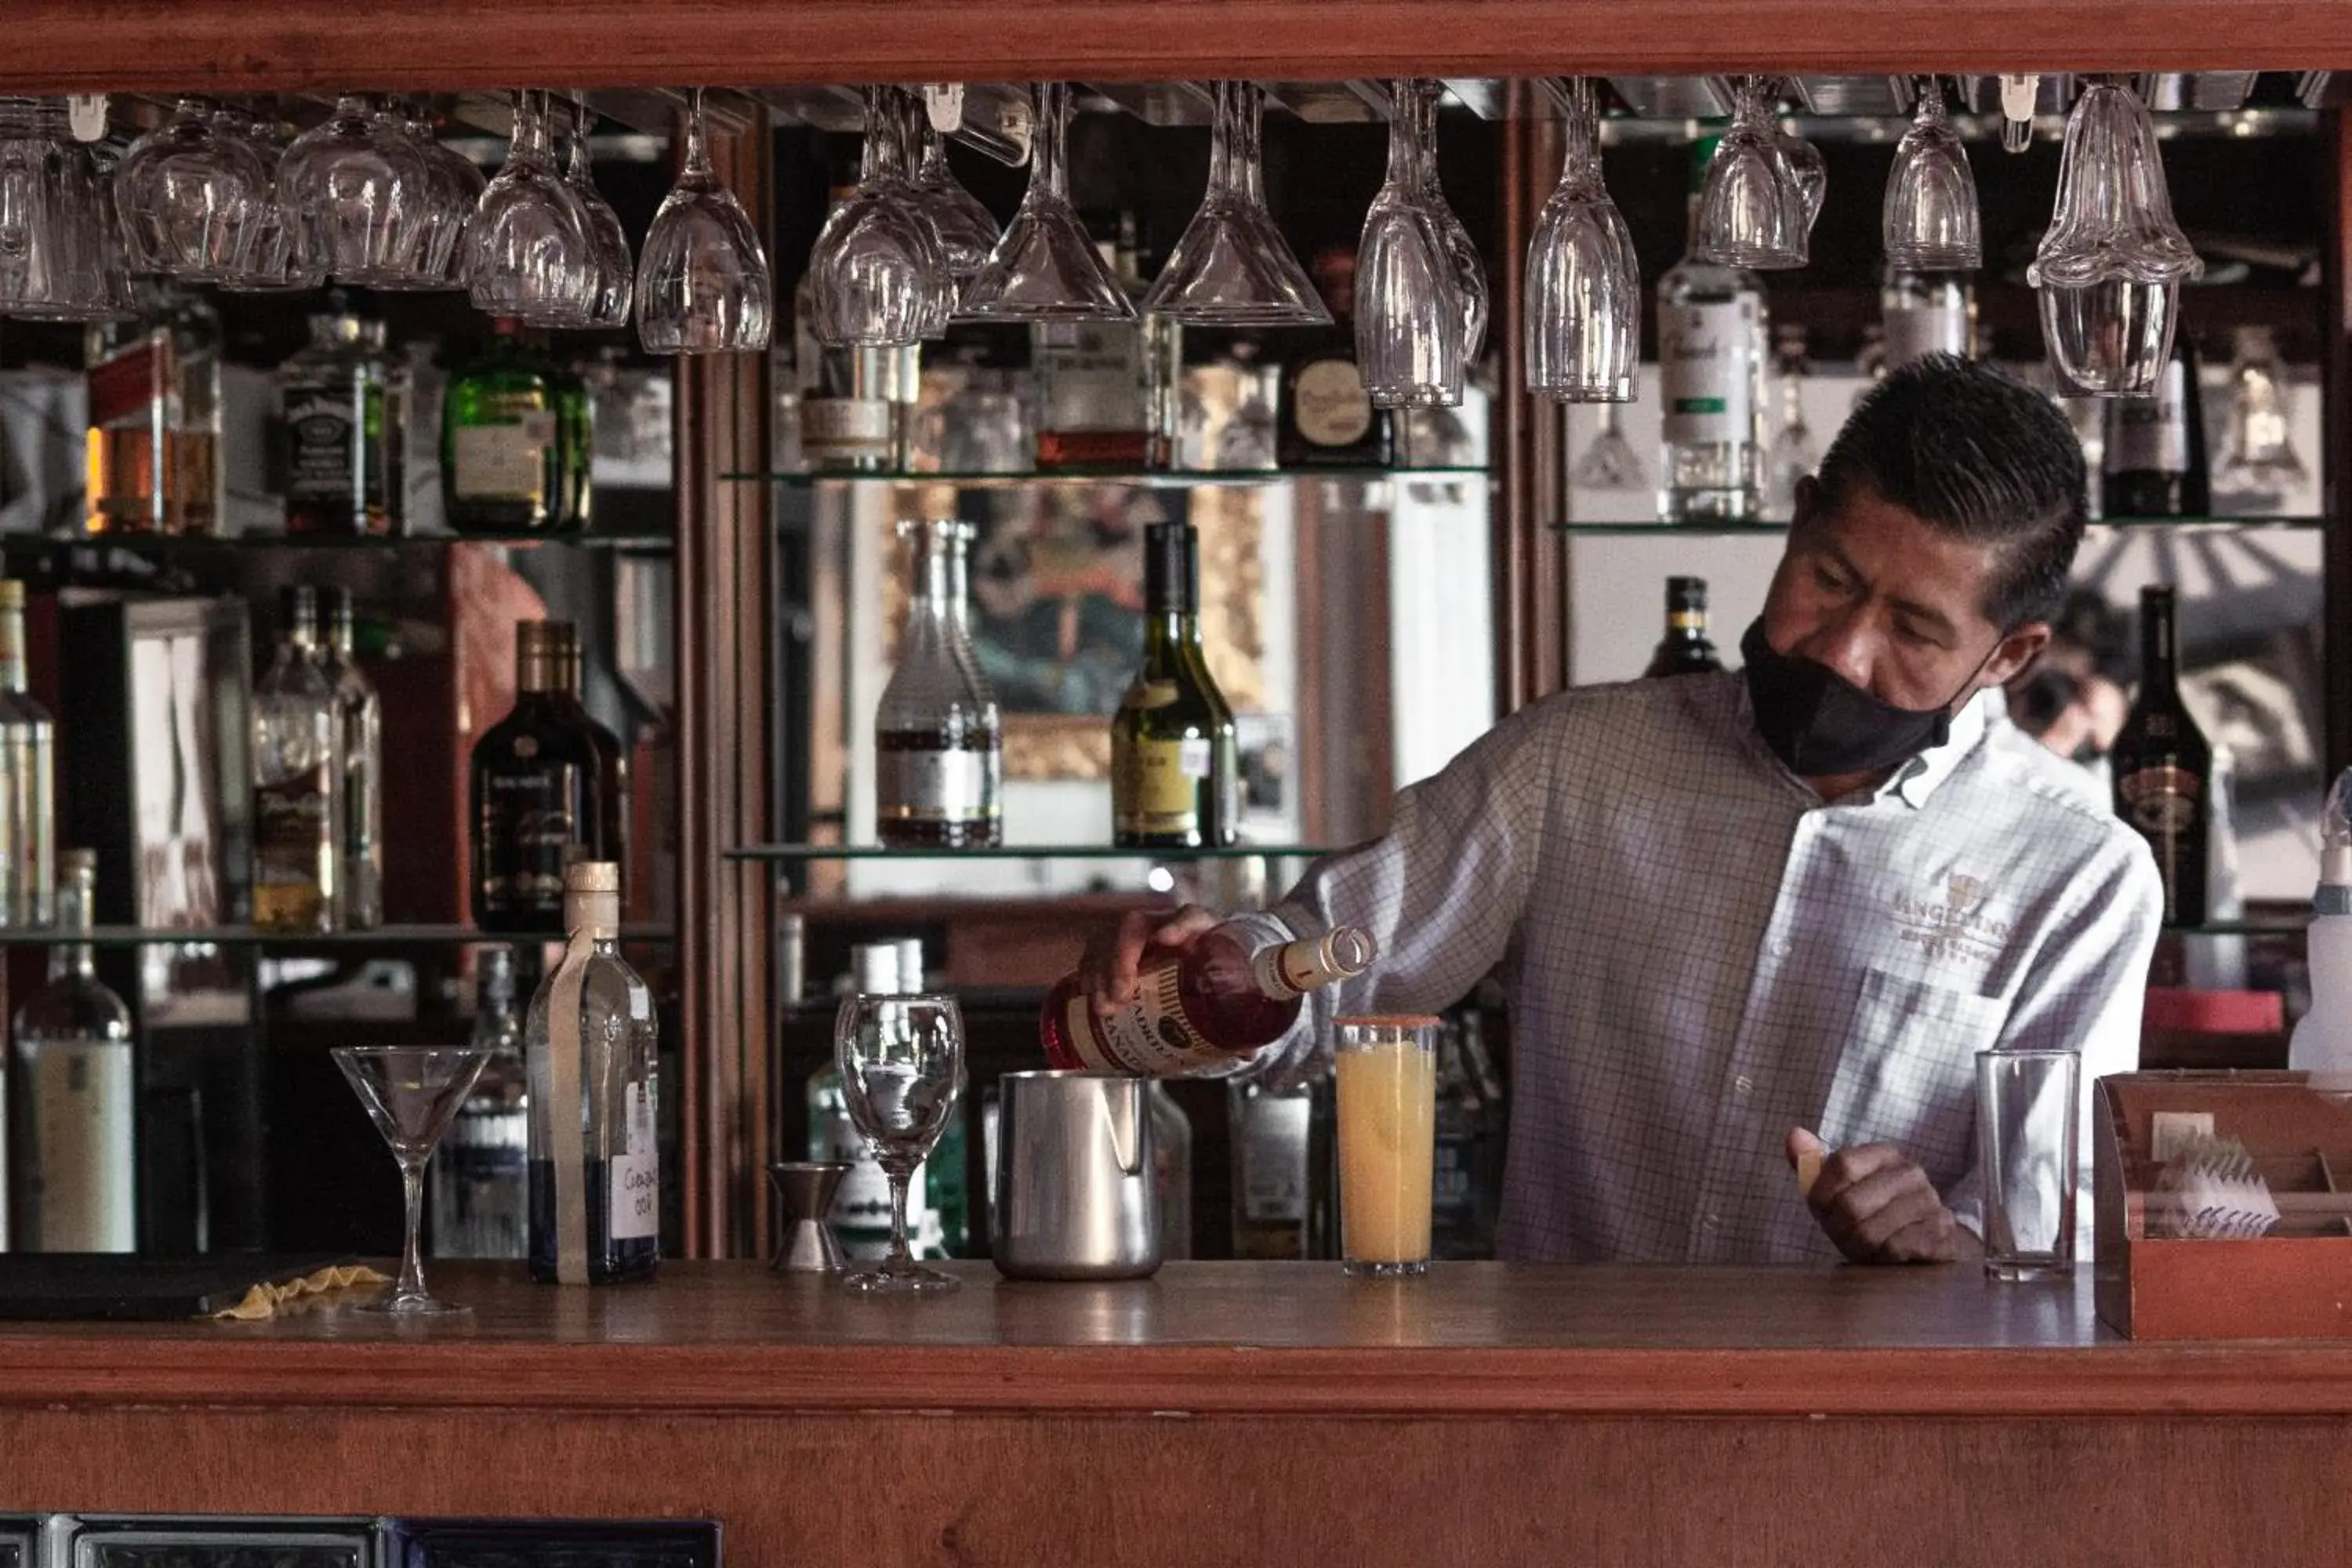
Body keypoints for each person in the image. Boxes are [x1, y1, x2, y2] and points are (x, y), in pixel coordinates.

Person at [1080, 355, 2162, 1266]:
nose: (1840, 648)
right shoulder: (1578, 761)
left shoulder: (2079, 880)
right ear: (1795, 523)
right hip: (1564, 1416)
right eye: (1829, 579)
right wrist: (1212, 982)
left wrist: (1945, 1244)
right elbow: (1324, 969)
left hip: (1865, 1443)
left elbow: (2051, 1238)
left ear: (2010, 656)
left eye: (1916, 633)